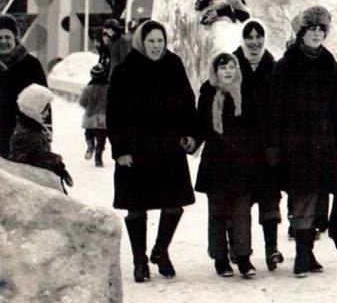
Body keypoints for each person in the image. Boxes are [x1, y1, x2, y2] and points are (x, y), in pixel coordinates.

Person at [106, 20, 197, 283]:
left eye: (160, 41)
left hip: (168, 149)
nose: (157, 46)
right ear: (141, 42)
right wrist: (120, 150)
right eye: (151, 41)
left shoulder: (174, 65)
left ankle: (160, 251)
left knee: (174, 206)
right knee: (136, 209)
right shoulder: (125, 70)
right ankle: (140, 261)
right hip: (136, 150)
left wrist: (190, 133)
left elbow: (187, 101)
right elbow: (114, 114)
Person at [267, 5, 337, 278]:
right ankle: (302, 256)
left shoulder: (329, 63)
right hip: (295, 144)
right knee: (302, 196)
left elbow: (336, 105)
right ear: (301, 32)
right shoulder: (286, 64)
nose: (316, 34)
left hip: (323, 143)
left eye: (321, 29)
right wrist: (273, 145)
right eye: (312, 29)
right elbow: (275, 109)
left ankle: (308, 252)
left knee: (317, 199)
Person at [195, 52, 260, 279]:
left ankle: (243, 257)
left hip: (242, 163)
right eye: (223, 68)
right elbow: (200, 125)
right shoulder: (207, 93)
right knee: (218, 213)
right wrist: (191, 140)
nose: (228, 72)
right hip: (216, 163)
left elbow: (255, 126)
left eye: (232, 67)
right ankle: (220, 258)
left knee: (242, 212)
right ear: (215, 72)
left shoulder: (246, 93)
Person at [233, 19, 284, 271]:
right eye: (249, 36)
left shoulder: (272, 67)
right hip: (240, 147)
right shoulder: (231, 63)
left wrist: (276, 144)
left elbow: (280, 109)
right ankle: (242, 255)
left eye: (258, 36)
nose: (254, 41)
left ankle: (271, 249)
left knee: (269, 198)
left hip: (266, 147)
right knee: (241, 201)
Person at [0, 14, 48, 159]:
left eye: (7, 37)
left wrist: (46, 132)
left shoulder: (30, 64)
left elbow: (43, 100)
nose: (3, 42)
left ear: (15, 38)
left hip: (25, 136)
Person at [8, 84, 73, 190]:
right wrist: (53, 161)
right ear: (34, 109)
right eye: (45, 109)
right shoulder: (26, 135)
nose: (47, 114)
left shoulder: (31, 129)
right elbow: (24, 165)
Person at [79, 63, 110, 167]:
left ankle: (90, 145)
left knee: (89, 134)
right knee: (102, 139)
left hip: (90, 116)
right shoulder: (108, 88)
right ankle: (98, 156)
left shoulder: (88, 89)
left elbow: (82, 102)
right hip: (104, 117)